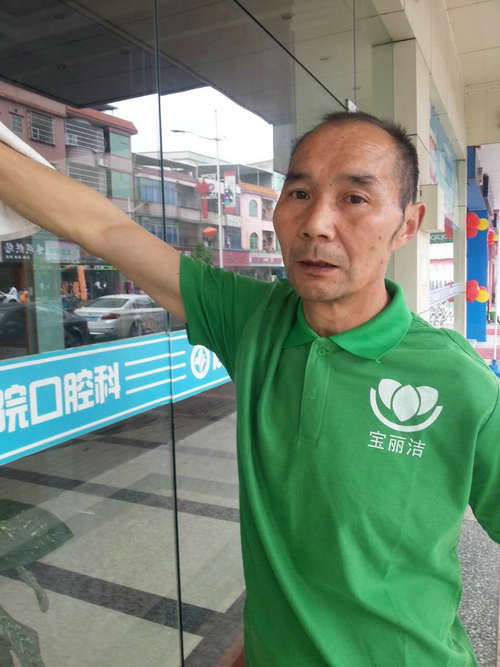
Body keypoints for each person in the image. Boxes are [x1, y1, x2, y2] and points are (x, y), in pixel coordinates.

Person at [0, 111, 498, 666]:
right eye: (300, 193)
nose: (316, 223)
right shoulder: (255, 322)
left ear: (408, 223)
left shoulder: (459, 381)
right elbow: (104, 229)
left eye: (355, 198)